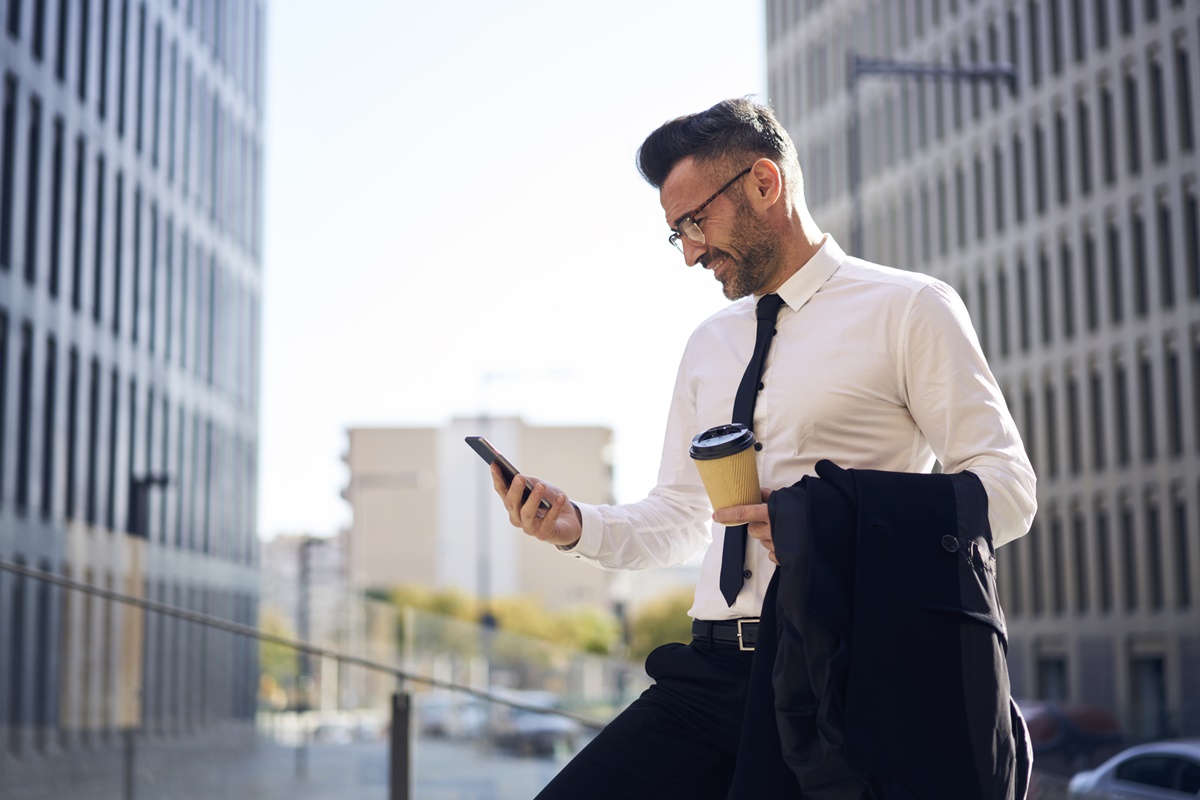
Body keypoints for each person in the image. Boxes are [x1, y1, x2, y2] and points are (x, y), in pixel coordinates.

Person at [490, 97, 1037, 799]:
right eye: (675, 235)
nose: (689, 252)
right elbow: (683, 515)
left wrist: (823, 524)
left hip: (838, 673)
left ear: (764, 184)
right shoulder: (707, 345)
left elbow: (1008, 493)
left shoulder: (910, 309)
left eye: (695, 222)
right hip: (709, 671)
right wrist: (577, 526)